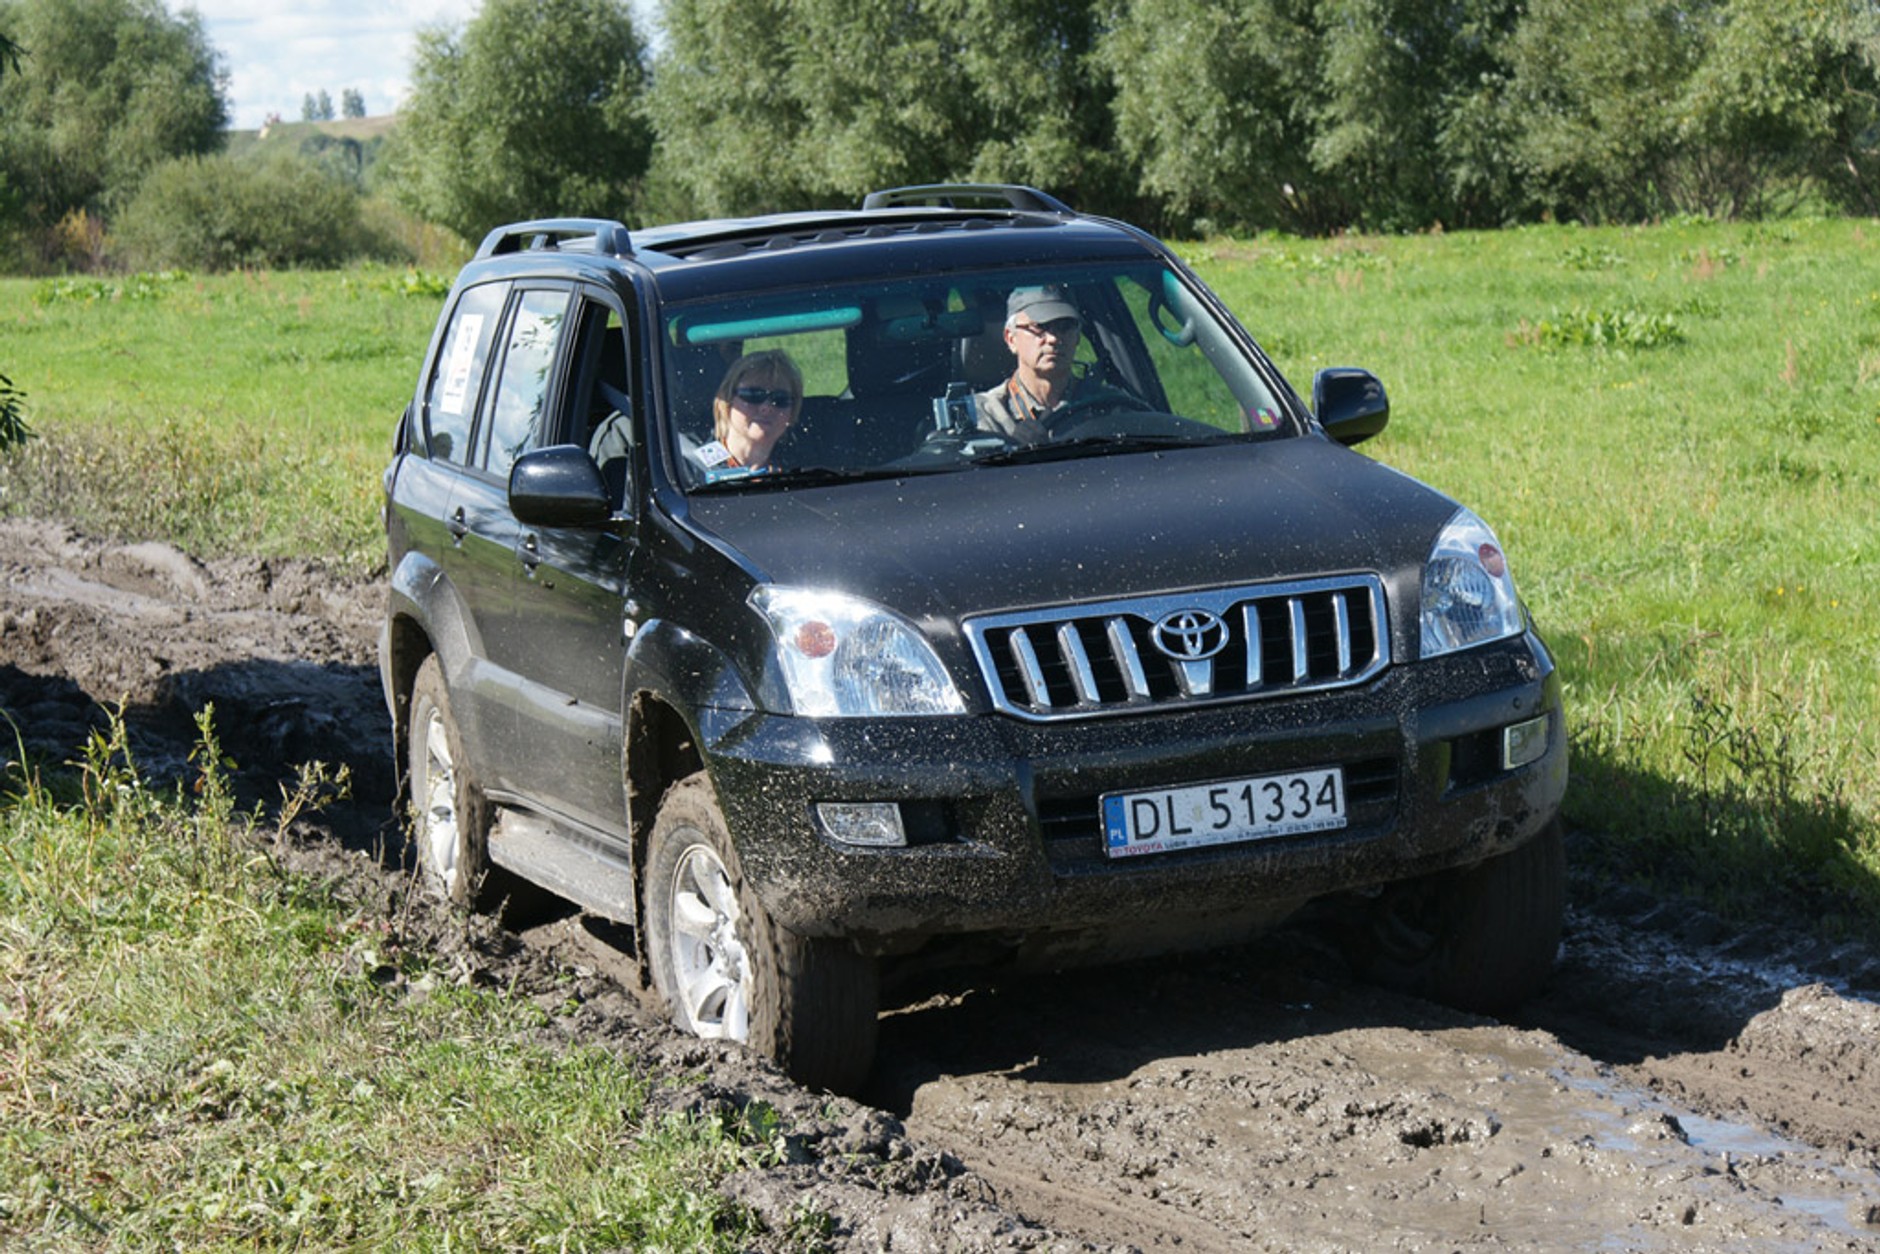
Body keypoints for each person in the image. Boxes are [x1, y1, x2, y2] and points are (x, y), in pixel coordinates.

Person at [974, 285, 1097, 445]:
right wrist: (1012, 447)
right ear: (1011, 339)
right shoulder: (984, 415)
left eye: (1065, 327)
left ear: (1078, 337)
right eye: (1040, 326)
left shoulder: (1106, 406)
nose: (1053, 338)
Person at [696, 349, 802, 480]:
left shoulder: (802, 473)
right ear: (727, 401)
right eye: (753, 395)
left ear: (792, 411)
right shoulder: (690, 469)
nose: (767, 407)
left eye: (780, 399)